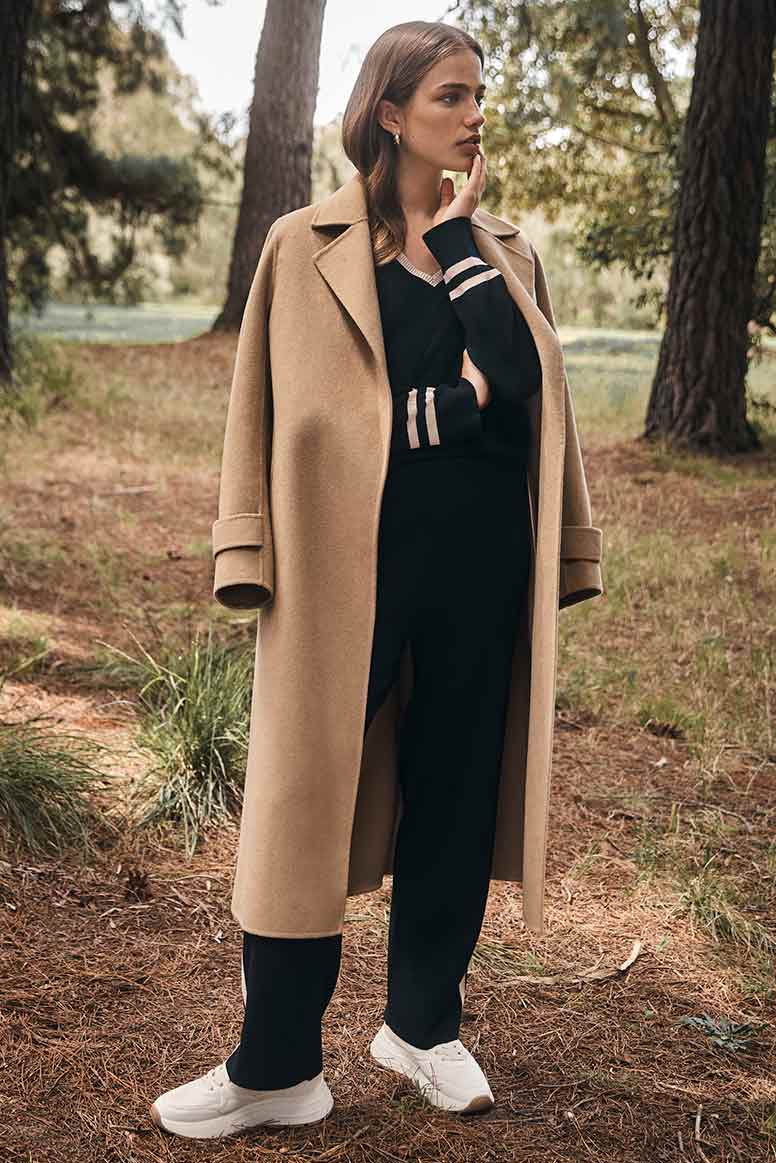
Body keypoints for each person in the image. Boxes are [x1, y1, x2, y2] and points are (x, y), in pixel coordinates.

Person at [151, 20, 546, 1140]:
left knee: (457, 793)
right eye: (450, 96)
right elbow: (263, 411)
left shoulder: (502, 248)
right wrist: (245, 548)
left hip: (478, 564)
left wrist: (458, 241)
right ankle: (276, 1062)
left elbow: (513, 381)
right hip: (340, 566)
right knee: (297, 802)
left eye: (478, 95)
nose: (473, 114)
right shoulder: (302, 242)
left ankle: (422, 1024)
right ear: (388, 110)